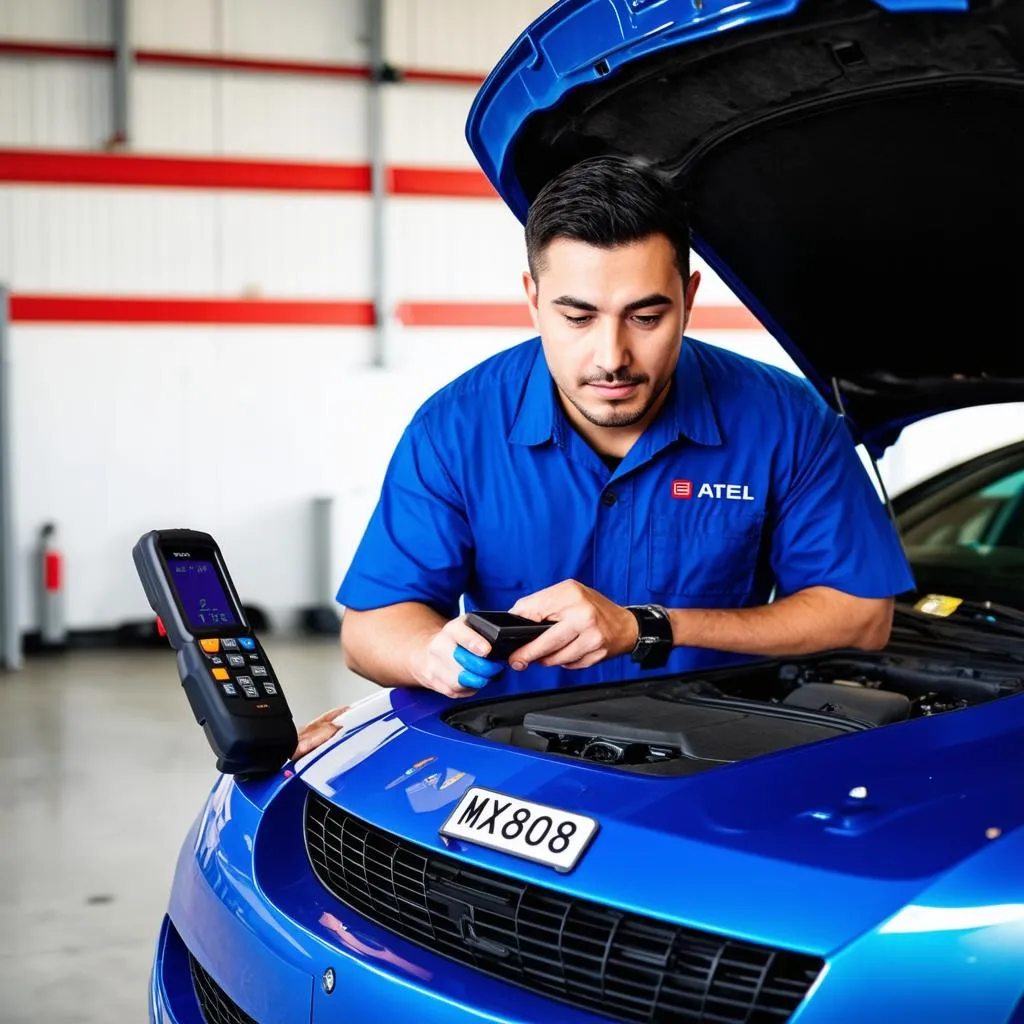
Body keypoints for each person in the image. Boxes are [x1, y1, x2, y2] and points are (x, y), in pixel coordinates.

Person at [292, 155, 914, 758]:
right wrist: (427, 654)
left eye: (645, 316)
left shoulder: (790, 421)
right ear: (533, 299)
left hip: (721, 762)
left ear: (689, 298)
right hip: (510, 759)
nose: (611, 356)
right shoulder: (455, 427)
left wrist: (649, 626)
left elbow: (859, 617)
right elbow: (370, 627)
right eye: (578, 316)